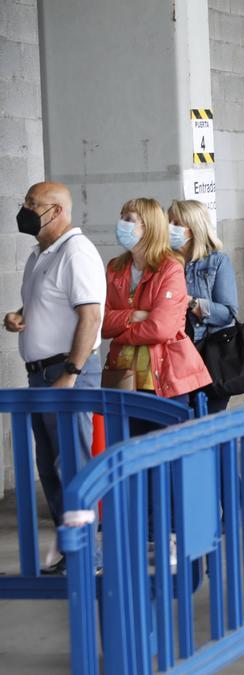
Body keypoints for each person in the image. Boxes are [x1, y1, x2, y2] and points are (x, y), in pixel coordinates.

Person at [7, 182, 105, 566]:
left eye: (33, 204)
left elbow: (91, 315)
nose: (26, 210)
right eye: (25, 202)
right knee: (49, 465)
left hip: (66, 372)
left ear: (57, 212)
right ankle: (70, 548)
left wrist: (71, 373)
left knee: (73, 465)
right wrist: (20, 315)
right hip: (42, 375)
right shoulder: (41, 254)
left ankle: (89, 553)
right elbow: (49, 302)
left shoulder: (76, 252)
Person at [103, 198, 212, 422]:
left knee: (164, 451)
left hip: (164, 379)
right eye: (121, 217)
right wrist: (134, 315)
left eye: (128, 219)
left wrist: (121, 329)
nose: (120, 224)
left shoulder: (170, 268)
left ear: (149, 227)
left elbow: (161, 329)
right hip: (122, 377)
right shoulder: (115, 268)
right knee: (128, 450)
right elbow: (102, 324)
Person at [169, 200, 238, 412]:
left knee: (208, 424)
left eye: (177, 223)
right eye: (168, 221)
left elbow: (228, 313)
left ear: (194, 228)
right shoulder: (166, 263)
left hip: (208, 356)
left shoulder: (216, 262)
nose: (170, 228)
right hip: (174, 358)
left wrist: (190, 302)